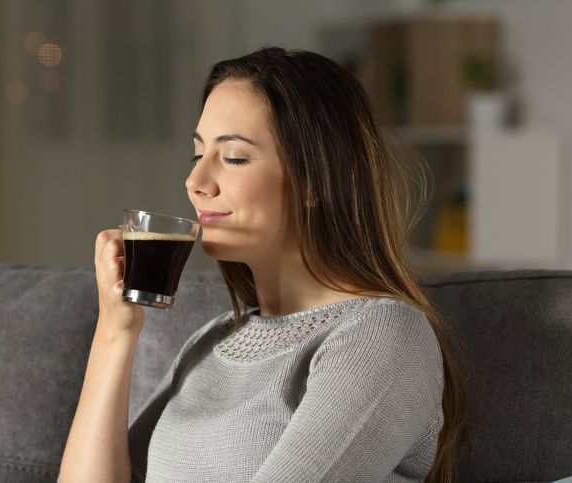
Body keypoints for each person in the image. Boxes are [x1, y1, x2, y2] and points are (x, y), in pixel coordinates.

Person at [58, 46, 468, 482]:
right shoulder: (211, 341)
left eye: (233, 157)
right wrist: (114, 332)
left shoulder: (382, 335)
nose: (195, 182)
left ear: (316, 180)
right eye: (198, 155)